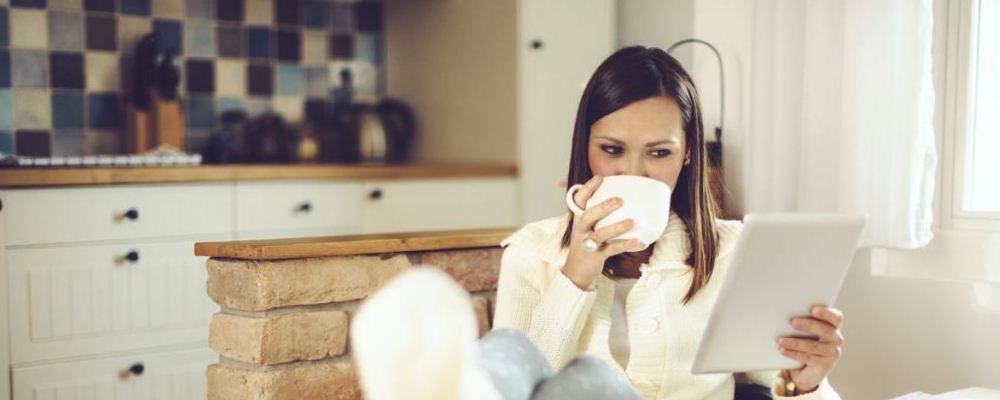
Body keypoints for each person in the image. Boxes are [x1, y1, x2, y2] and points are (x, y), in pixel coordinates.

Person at [492, 46, 845, 400]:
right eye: (612, 149)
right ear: (585, 146)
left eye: (659, 152)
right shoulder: (530, 255)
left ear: (688, 152)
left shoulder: (732, 253)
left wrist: (808, 382)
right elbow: (514, 391)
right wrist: (575, 276)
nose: (633, 172)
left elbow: (783, 379)